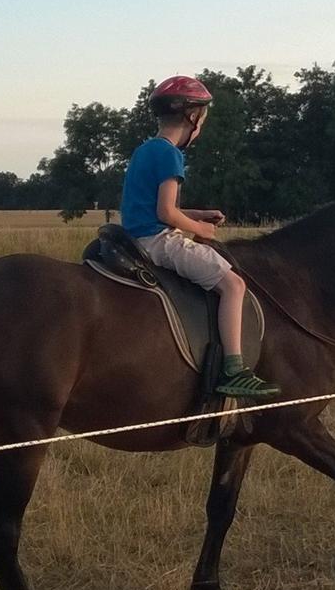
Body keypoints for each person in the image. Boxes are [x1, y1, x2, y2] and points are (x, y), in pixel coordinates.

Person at [120, 75, 280, 399]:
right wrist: (201, 230)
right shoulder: (171, 155)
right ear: (192, 116)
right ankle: (234, 369)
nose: (202, 124)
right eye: (203, 117)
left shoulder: (146, 150)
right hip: (159, 241)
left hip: (135, 237)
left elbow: (150, 207)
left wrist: (196, 214)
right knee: (233, 284)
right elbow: (166, 213)